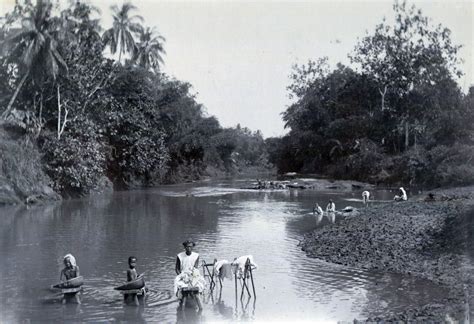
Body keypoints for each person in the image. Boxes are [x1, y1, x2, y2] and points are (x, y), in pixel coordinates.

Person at [174, 239, 204, 311]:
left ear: (192, 247)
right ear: (184, 247)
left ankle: (198, 302)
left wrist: (191, 277)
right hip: (183, 274)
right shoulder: (180, 256)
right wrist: (182, 276)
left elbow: (195, 268)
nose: (189, 248)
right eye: (187, 247)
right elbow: (177, 269)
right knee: (177, 283)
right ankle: (181, 298)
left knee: (199, 285)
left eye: (190, 247)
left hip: (193, 274)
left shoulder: (196, 255)